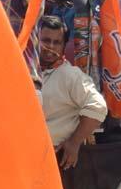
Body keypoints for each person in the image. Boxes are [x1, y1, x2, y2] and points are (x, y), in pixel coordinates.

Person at [39, 15, 107, 170]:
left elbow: (98, 106)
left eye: (56, 42)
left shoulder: (71, 75)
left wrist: (74, 143)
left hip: (53, 160)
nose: (50, 47)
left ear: (64, 46)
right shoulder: (29, 70)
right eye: (46, 40)